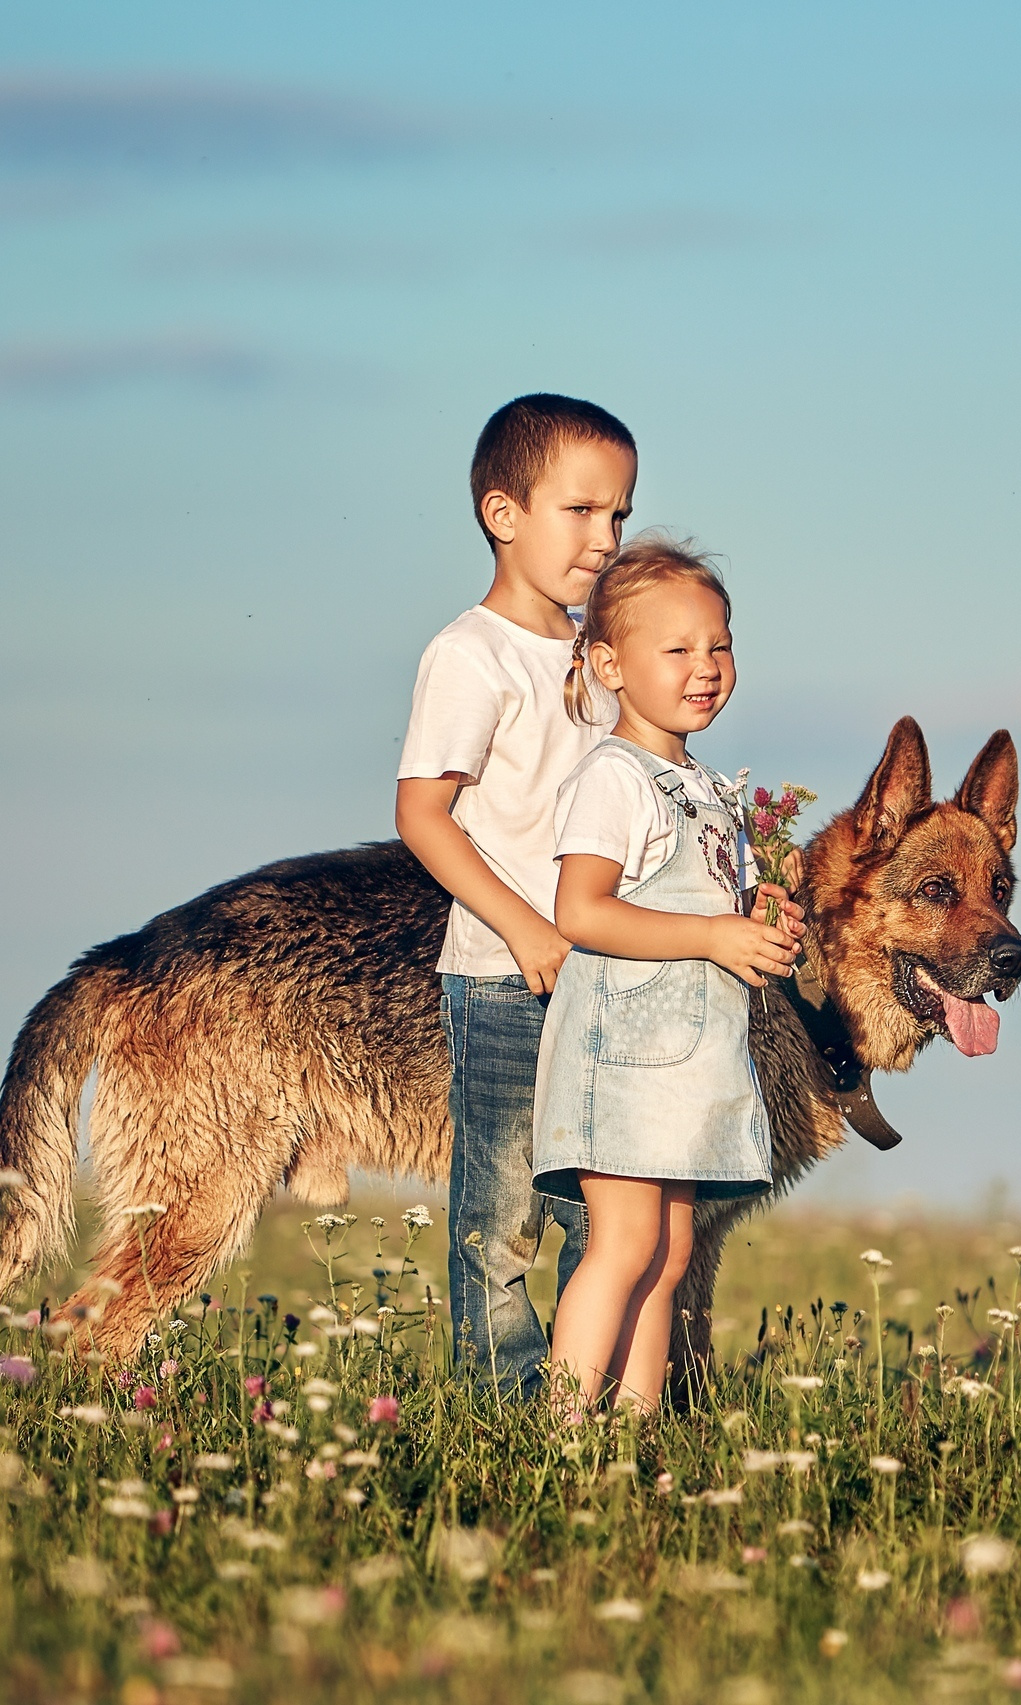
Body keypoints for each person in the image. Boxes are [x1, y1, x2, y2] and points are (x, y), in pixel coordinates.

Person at [393, 393, 634, 1394]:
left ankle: (577, 1403)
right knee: (499, 1219)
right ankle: (498, 1408)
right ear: (504, 513)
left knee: (603, 1212)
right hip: (504, 977)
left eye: (619, 515)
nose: (605, 537)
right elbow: (423, 814)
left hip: (608, 980)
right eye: (581, 510)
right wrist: (527, 928)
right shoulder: (470, 655)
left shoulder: (604, 658)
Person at [530, 536, 801, 1412]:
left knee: (671, 1252)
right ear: (608, 664)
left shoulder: (708, 787)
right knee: (623, 1244)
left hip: (692, 1062)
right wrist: (715, 936)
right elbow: (582, 912)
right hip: (625, 1059)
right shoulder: (615, 776)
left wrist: (763, 921)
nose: (706, 666)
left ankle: (634, 1429)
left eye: (719, 645)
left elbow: (715, 909)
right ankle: (567, 1427)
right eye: (677, 649)